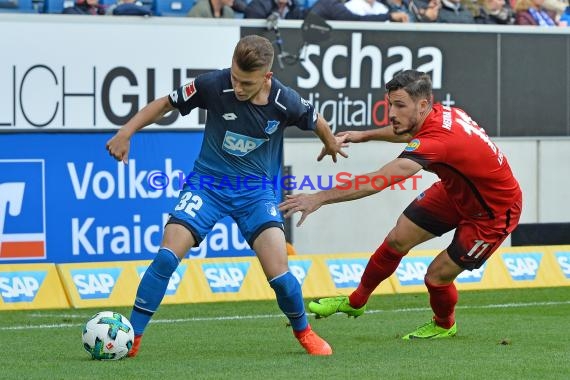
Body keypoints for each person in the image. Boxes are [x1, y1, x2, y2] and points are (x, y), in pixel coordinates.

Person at [106, 35, 347, 357]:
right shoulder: (212, 85)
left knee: (280, 275)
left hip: (255, 192)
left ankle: (304, 332)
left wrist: (330, 141)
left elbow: (315, 118)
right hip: (207, 185)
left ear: (267, 77)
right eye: (234, 77)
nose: (237, 87)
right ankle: (132, 338)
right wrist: (126, 132)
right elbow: (165, 103)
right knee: (166, 256)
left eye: (246, 83)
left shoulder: (285, 101)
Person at [279, 70, 522, 340]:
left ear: (422, 104)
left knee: (436, 277)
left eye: (399, 105)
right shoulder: (440, 115)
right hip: (455, 193)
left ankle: (444, 324)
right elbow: (409, 132)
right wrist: (364, 135)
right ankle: (356, 302)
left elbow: (377, 181)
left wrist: (318, 198)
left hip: (492, 212)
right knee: (397, 240)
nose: (391, 113)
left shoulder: (438, 141)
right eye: (390, 104)